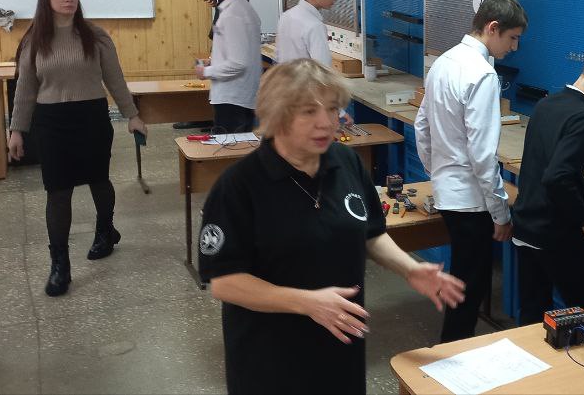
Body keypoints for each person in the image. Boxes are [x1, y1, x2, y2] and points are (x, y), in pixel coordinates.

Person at [198, 59, 466, 394]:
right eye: (309, 111)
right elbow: (225, 282)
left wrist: (409, 269)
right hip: (271, 360)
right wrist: (307, 302)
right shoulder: (238, 186)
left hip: (341, 347)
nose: (326, 122)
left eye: (332, 108)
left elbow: (370, 233)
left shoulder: (346, 161)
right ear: (277, 114)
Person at [8, 0, 146, 297]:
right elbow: (25, 89)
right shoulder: (33, 39)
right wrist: (16, 130)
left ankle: (105, 230)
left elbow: (115, 79)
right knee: (58, 191)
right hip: (51, 122)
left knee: (99, 179)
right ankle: (60, 264)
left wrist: (133, 116)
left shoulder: (95, 36)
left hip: (91, 118)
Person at [414, 0, 527, 343]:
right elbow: (482, 155)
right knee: (469, 288)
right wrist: (501, 213)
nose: (514, 47)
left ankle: (453, 349)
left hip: (449, 191)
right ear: (493, 28)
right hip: (471, 202)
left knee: (464, 279)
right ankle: (451, 355)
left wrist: (437, 173)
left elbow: (422, 125)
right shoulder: (483, 74)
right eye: (512, 38)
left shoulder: (444, 61)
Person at [510, 53, 584, 324]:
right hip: (554, 235)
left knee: (532, 314)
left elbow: (543, 165)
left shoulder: (547, 103)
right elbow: (557, 179)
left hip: (525, 226)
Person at [196, 0, 262, 133]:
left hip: (233, 101)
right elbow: (239, 53)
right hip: (238, 99)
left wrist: (206, 71)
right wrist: (215, 61)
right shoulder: (241, 9)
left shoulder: (233, 14)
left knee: (227, 150)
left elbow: (238, 64)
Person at [275, 0, 336, 66]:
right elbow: (322, 68)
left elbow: (278, 56)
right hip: (307, 76)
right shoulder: (315, 26)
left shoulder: (285, 16)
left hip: (284, 75)